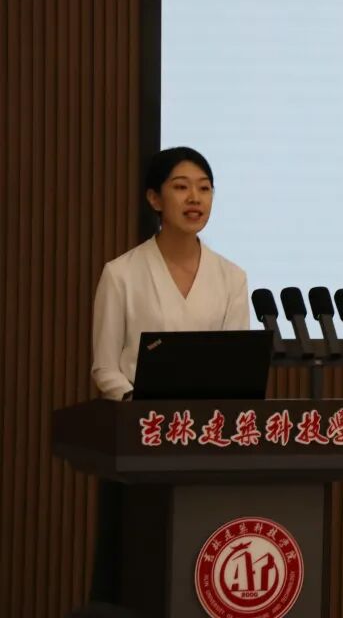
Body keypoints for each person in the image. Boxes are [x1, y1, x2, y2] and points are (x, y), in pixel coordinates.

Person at [87, 146, 249, 603]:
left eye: (204, 188)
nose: (195, 198)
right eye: (181, 187)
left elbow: (236, 363)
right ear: (155, 199)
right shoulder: (121, 274)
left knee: (203, 567)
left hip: (207, 445)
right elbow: (105, 366)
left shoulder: (232, 277)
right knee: (140, 568)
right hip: (141, 442)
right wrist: (137, 405)